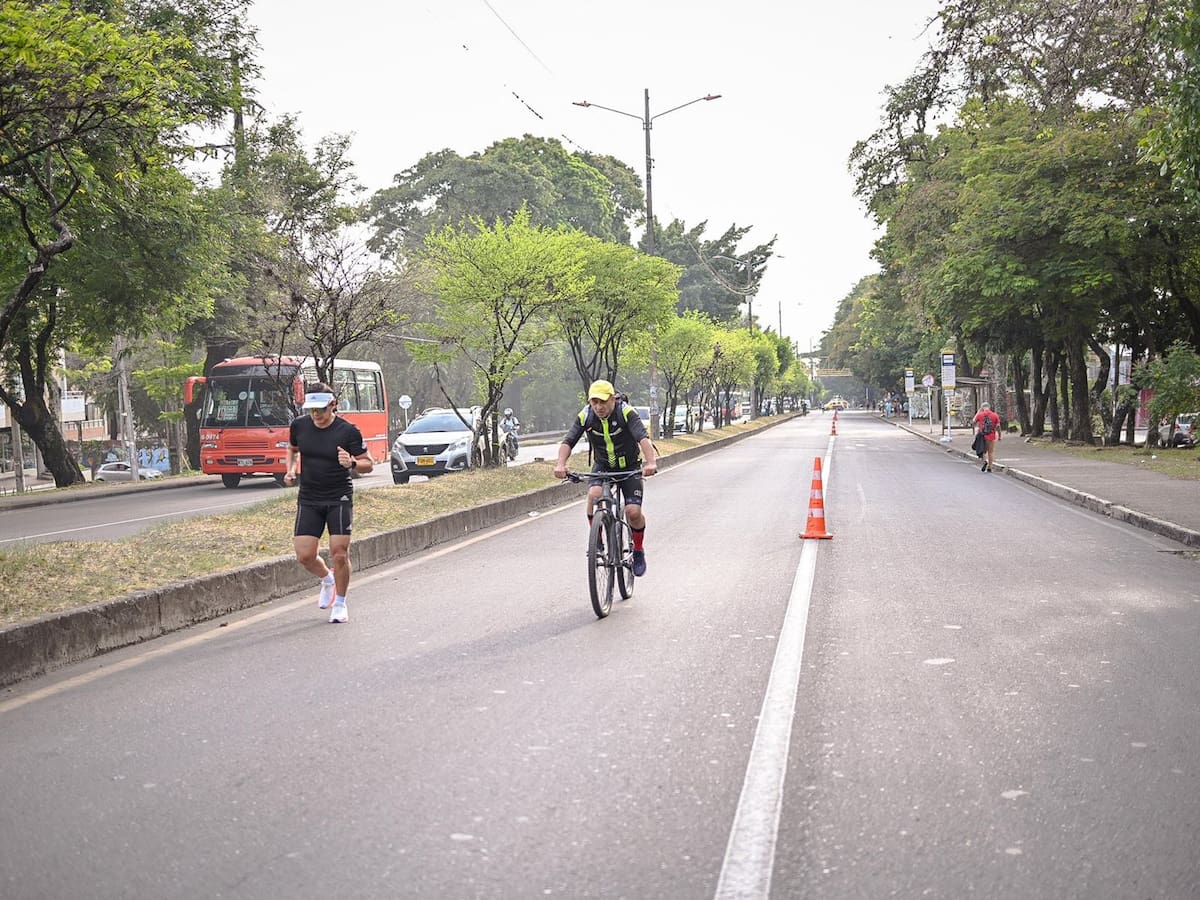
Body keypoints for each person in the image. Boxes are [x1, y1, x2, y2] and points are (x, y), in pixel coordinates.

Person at [283, 383, 374, 623]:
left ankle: (341, 603)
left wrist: (352, 464)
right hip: (309, 498)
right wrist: (290, 470)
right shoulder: (299, 426)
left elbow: (369, 463)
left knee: (340, 554)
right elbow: (292, 449)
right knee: (304, 556)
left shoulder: (348, 431)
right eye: (312, 410)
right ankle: (327, 579)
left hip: (339, 497)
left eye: (321, 410)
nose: (316, 415)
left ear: (333, 405)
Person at [554, 379, 658, 576]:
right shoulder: (586, 415)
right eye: (594, 402)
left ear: (613, 400)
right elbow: (568, 441)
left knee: (633, 512)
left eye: (602, 402)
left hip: (629, 466)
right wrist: (560, 464)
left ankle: (638, 550)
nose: (598, 407)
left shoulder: (626, 412)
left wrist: (650, 462)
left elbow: (643, 438)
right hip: (603, 466)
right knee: (594, 495)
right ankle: (598, 541)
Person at [972, 401, 1002, 473]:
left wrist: (978, 412)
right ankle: (990, 467)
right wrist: (1000, 436)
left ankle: (984, 461)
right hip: (991, 436)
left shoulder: (980, 414)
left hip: (982, 436)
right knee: (990, 452)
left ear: (982, 408)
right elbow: (998, 426)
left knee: (981, 451)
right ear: (989, 407)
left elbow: (973, 421)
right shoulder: (995, 415)